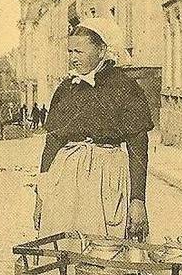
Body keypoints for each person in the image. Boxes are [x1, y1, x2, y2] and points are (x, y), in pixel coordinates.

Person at [35, 17, 153, 242]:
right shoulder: (66, 89)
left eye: (78, 52)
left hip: (106, 181)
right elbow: (51, 145)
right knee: (63, 249)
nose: (72, 58)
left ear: (101, 51)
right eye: (70, 52)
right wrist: (40, 198)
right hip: (65, 182)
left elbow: (138, 146)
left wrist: (138, 200)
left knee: (105, 253)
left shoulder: (124, 87)